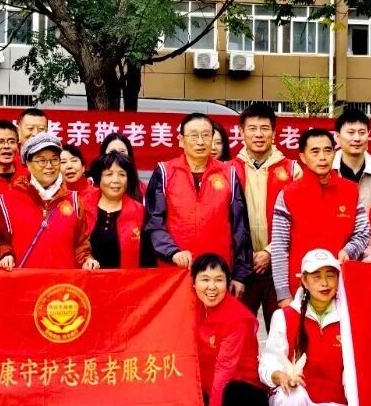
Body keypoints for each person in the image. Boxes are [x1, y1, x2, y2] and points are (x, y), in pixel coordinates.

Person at [261, 249, 357, 406]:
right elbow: (268, 361)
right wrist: (279, 375)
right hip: (297, 398)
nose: (325, 283)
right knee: (290, 397)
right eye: (316, 277)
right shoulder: (284, 316)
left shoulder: (350, 318)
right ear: (303, 280)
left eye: (330, 275)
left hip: (332, 402)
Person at [144, 114, 251, 291]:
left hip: (217, 274)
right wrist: (172, 252)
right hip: (175, 270)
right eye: (194, 135)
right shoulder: (164, 173)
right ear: (181, 140)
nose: (200, 141)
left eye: (206, 135)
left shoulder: (229, 174)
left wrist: (240, 276)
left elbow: (240, 229)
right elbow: (154, 224)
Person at [193, 254, 268, 406]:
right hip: (209, 391)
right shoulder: (193, 309)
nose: (212, 287)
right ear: (193, 283)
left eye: (219, 280)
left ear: (228, 282)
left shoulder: (237, 319)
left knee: (232, 392)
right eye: (205, 279)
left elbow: (224, 370)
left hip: (246, 395)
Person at [269, 128, 370, 305]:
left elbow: (363, 233)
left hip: (342, 286)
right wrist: (283, 294)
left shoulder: (351, 190)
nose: (322, 157)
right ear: (302, 157)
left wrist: (349, 251)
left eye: (327, 151)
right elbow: (279, 247)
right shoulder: (288, 194)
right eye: (315, 152)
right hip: (300, 287)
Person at [232, 103, 300, 325]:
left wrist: (270, 252)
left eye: (264, 128)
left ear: (274, 133)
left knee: (282, 330)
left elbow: (300, 219)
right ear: (242, 132)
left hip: (280, 265)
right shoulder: (229, 170)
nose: (259, 134)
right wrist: (246, 255)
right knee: (240, 331)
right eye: (252, 128)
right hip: (242, 266)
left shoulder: (293, 170)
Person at [0, 134, 97, 269]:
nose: (49, 166)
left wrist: (86, 260)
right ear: (28, 164)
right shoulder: (9, 199)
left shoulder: (73, 200)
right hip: (24, 279)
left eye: (54, 160)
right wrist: (5, 254)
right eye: (42, 160)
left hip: (62, 281)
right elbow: (1, 240)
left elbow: (81, 243)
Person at [83, 151, 152, 269]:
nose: (116, 180)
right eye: (109, 174)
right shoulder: (81, 206)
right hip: (85, 279)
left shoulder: (140, 212)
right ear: (99, 178)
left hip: (127, 279)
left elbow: (147, 258)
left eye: (122, 174)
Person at [333, 108, 371, 209]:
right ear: (338, 136)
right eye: (351, 132)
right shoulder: (327, 173)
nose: (357, 138)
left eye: (362, 133)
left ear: (368, 134)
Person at [99, 132, 146, 200]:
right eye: (112, 152)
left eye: (122, 151)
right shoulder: (92, 186)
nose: (117, 156)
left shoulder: (142, 189)